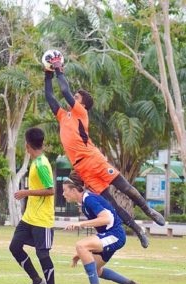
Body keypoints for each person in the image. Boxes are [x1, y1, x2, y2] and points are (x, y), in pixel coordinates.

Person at [44, 50, 165, 248]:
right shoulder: (63, 116)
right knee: (113, 205)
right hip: (83, 169)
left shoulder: (81, 113)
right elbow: (50, 96)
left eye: (76, 97)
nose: (72, 97)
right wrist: (48, 73)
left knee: (125, 188)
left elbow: (65, 91)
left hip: (94, 160)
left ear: (82, 103)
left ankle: (148, 210)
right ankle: (138, 230)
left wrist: (59, 70)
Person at [63, 174, 141, 284]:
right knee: (96, 270)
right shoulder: (85, 202)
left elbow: (105, 219)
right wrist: (82, 253)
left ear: (73, 190)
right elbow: (102, 225)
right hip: (110, 235)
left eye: (64, 190)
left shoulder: (89, 199)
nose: (63, 194)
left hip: (115, 235)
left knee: (81, 245)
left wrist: (81, 224)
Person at [9, 128, 56, 284]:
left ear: (27, 145)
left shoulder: (42, 164)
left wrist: (26, 192)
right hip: (29, 217)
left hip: (42, 220)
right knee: (14, 247)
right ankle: (37, 281)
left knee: (43, 255)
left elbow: (51, 190)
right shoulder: (36, 162)